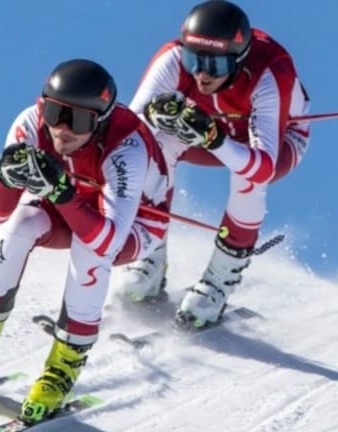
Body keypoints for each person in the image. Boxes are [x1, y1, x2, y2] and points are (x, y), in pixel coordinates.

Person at [0, 59, 170, 424]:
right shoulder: (31, 123)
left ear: (100, 121)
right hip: (71, 205)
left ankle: (63, 369)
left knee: (90, 252)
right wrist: (5, 181)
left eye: (80, 120)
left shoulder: (127, 147)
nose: (63, 129)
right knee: (20, 223)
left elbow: (107, 241)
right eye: (56, 112)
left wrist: (62, 193)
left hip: (135, 224)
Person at [112, 0, 312, 328]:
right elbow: (124, 137)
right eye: (194, 61)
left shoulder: (269, 71)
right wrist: (152, 117)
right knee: (155, 144)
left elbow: (263, 165)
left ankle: (218, 281)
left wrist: (215, 139)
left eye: (215, 66)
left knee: (248, 177)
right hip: (206, 130)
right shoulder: (172, 59)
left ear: (238, 59)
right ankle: (150, 255)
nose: (202, 74)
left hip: (276, 140)